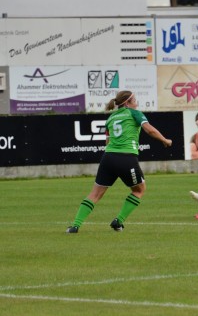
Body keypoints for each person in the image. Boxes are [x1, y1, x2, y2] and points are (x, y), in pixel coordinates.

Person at [66, 90, 173, 233]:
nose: (136, 102)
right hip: (126, 158)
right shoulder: (134, 113)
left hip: (108, 158)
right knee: (139, 190)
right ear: (127, 103)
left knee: (95, 194)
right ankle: (119, 221)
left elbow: (107, 141)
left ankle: (75, 226)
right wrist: (165, 140)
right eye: (134, 100)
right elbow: (150, 130)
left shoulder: (111, 118)